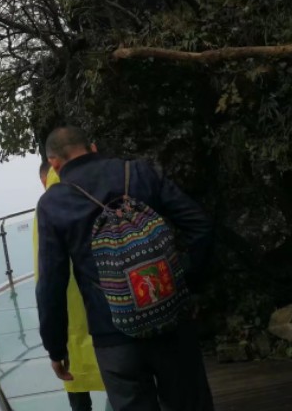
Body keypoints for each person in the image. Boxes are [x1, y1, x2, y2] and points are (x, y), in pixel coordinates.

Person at [36, 126, 215, 411]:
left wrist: (55, 347)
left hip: (113, 335)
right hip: (169, 315)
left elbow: (51, 283)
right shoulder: (139, 171)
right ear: (93, 147)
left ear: (54, 163)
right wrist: (184, 283)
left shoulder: (53, 202)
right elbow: (200, 226)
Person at [34, 161, 107, 411]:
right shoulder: (98, 192)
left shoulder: (48, 208)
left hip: (71, 321)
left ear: (45, 178)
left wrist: (54, 346)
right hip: (113, 312)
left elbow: (46, 281)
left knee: (76, 381)